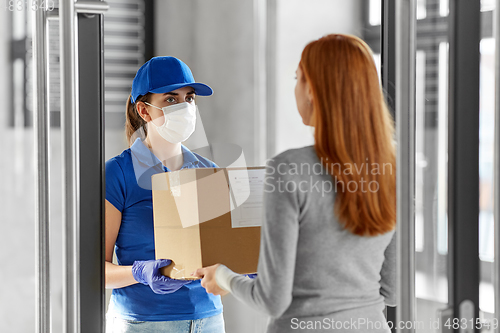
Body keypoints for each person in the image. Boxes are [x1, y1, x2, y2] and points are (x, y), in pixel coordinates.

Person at [194, 34, 397, 333]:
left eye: (297, 78)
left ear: (312, 90)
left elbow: (272, 299)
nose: (296, 88)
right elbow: (392, 290)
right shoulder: (393, 168)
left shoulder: (288, 170)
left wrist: (222, 276)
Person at [105, 56, 225, 332]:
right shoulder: (118, 173)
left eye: (189, 98)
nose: (184, 107)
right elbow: (93, 271)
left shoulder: (209, 171)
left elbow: (218, 253)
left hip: (209, 320)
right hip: (143, 322)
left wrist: (241, 263)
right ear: (144, 111)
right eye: (171, 99)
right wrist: (139, 273)